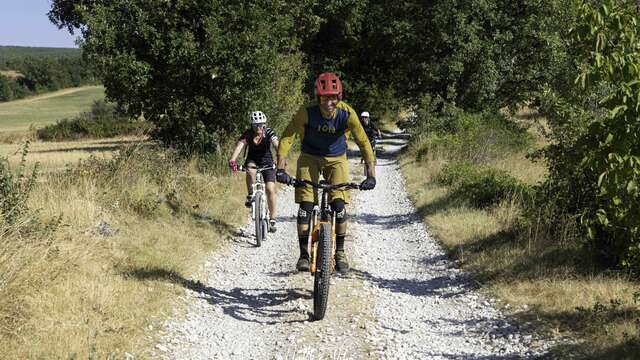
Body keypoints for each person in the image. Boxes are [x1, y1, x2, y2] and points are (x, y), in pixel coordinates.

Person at [276, 72, 376, 273]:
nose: (328, 102)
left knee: (339, 206)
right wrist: (280, 168)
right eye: (324, 97)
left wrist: (371, 174)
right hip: (309, 157)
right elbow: (287, 137)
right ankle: (304, 254)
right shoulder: (306, 112)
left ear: (339, 97)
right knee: (305, 206)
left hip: (336, 158)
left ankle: (339, 251)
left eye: (333, 97)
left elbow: (363, 142)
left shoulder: (347, 113)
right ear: (317, 97)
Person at [228, 111, 279, 232]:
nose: (259, 127)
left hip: (267, 162)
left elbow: (277, 145)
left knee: (270, 189)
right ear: (252, 126)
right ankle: (251, 194)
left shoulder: (269, 132)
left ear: (264, 124)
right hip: (253, 160)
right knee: (250, 171)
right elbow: (240, 146)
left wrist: (281, 158)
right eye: (256, 125)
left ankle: (272, 218)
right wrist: (233, 160)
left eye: (261, 124)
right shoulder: (248, 134)